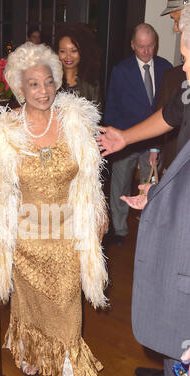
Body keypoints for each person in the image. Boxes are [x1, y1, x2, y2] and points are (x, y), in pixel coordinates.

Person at [0, 42, 108, 376]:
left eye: (48, 82)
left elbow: (91, 176)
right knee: (28, 302)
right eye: (34, 84)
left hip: (66, 229)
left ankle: (71, 369)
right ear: (19, 87)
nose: (43, 91)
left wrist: (99, 211)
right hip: (25, 233)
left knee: (66, 300)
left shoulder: (75, 121)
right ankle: (30, 350)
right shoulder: (4, 129)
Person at [103, 5, 190, 376]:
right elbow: (173, 113)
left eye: (188, 50)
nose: (183, 63)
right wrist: (125, 138)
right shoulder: (189, 87)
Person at [104, 23, 172, 246]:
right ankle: (120, 231)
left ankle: (148, 230)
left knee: (151, 187)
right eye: (141, 46)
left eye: (150, 46)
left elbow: (168, 111)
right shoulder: (121, 70)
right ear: (133, 45)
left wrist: (156, 146)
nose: (146, 51)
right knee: (120, 186)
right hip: (125, 141)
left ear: (156, 44)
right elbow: (112, 108)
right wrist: (116, 138)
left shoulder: (166, 68)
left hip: (154, 143)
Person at [56, 24, 101, 105]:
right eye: (63, 51)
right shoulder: (50, 80)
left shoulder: (91, 83)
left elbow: (97, 113)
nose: (68, 56)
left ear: (82, 52)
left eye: (74, 51)